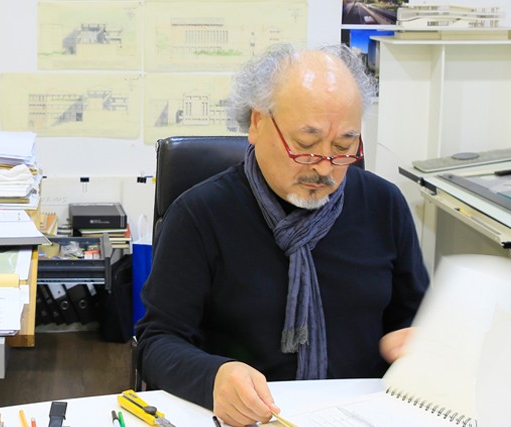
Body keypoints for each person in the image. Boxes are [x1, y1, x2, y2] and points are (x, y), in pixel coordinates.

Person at [135, 44, 429, 426]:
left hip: (363, 415)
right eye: (305, 146)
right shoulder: (200, 215)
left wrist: (418, 343)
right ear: (257, 123)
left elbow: (414, 322)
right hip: (252, 418)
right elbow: (157, 343)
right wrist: (213, 377)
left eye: (343, 147)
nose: (324, 168)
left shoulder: (383, 206)